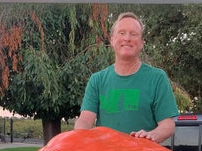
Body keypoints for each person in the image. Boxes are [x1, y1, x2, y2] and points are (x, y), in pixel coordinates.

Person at [74, 12, 179, 143]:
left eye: (133, 34)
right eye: (122, 33)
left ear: (141, 43)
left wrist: (152, 135)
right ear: (112, 40)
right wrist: (79, 135)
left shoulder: (157, 78)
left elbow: (168, 125)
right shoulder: (97, 80)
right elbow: (85, 119)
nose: (127, 38)